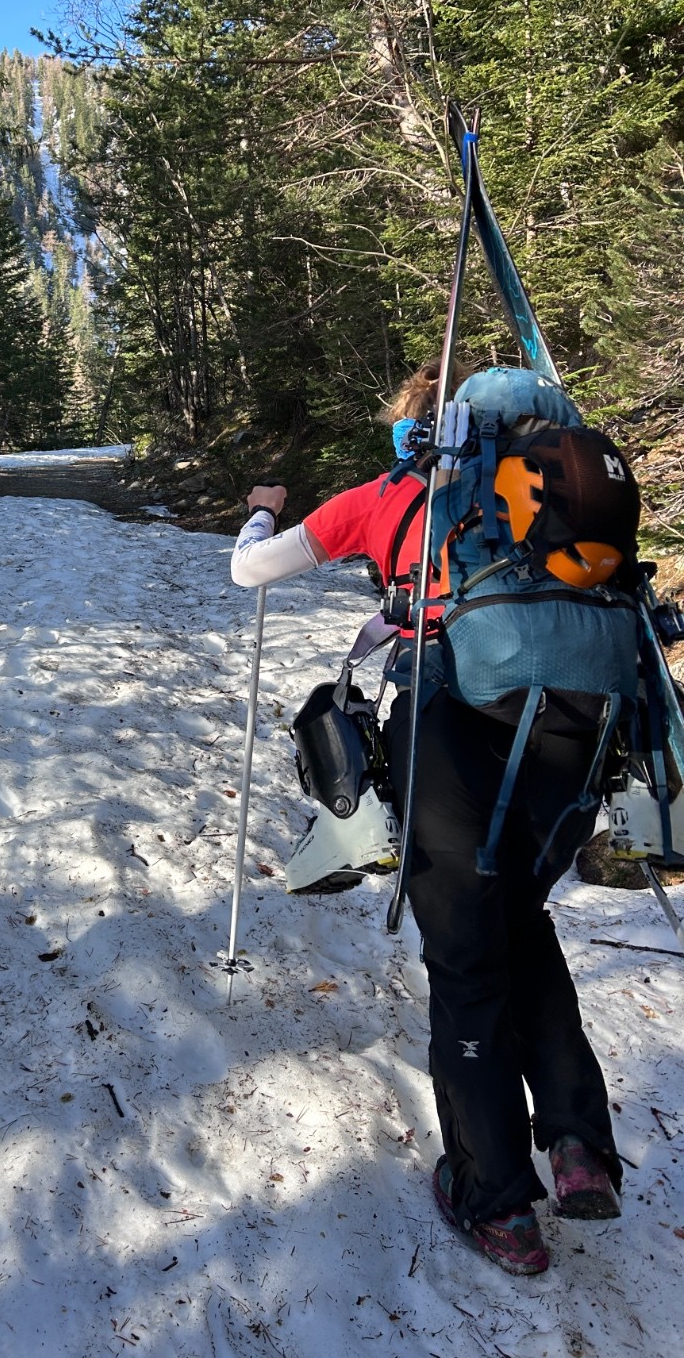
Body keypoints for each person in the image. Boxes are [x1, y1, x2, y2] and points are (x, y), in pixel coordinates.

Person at [230, 363, 622, 1276]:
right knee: (519, 917)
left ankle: (498, 1202)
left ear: (426, 431)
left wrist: (261, 511)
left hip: (452, 724)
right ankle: (577, 1143)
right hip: (579, 723)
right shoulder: (563, 499)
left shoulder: (395, 492)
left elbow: (252, 569)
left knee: (467, 956)